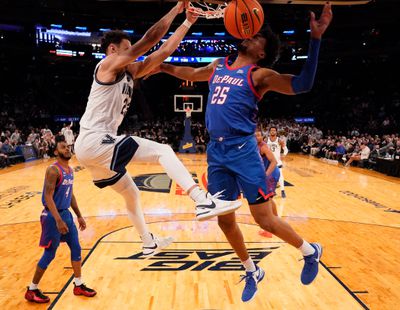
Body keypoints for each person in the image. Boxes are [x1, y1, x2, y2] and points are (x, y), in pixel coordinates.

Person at [152, 3, 332, 302]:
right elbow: (192, 72)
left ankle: (310, 251)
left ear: (262, 52)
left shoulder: (260, 74)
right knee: (224, 219)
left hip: (243, 150)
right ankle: (251, 271)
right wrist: (163, 66)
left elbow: (302, 85)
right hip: (216, 150)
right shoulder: (219, 64)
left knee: (263, 219)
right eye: (251, 35)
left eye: (257, 38)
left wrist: (315, 41)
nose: (249, 37)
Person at [74, 2, 240, 258]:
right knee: (163, 150)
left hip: (92, 147)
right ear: (112, 49)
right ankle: (201, 199)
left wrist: (187, 23)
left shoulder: (132, 72)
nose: (134, 55)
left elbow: (161, 52)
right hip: (96, 140)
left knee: (131, 193)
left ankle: (147, 242)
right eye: (128, 50)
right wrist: (176, 9)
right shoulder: (106, 66)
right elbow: (151, 40)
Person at [25, 136, 96, 304]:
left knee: (76, 247)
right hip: (51, 216)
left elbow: (70, 194)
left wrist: (78, 215)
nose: (67, 149)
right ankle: (32, 289)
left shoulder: (69, 170)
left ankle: (78, 285)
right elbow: (48, 197)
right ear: (56, 151)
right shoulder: (53, 170)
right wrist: (57, 220)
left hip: (65, 214)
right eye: (63, 147)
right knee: (50, 253)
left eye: (68, 146)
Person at [267, 126, 288, 198]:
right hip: (269, 162)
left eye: (274, 130)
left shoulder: (279, 140)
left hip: (277, 162)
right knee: (270, 178)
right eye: (271, 130)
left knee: (280, 177)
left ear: (276, 132)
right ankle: (272, 191)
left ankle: (282, 191)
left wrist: (283, 155)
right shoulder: (266, 140)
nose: (272, 132)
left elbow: (286, 149)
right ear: (269, 132)